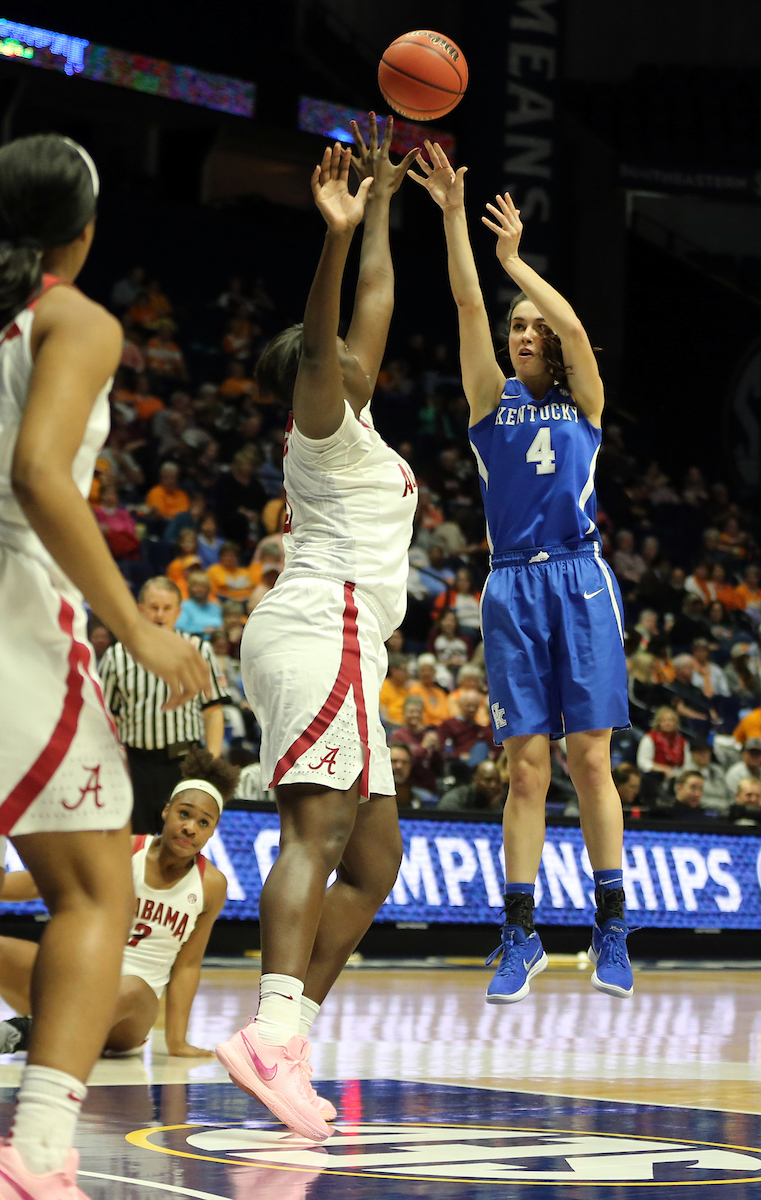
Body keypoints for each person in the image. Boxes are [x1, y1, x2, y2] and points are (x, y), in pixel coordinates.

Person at [0, 134, 208, 1199]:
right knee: (92, 898)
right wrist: (136, 628)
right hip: (15, 614)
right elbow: (39, 473)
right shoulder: (72, 316)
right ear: (78, 236)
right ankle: (38, 1153)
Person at [214, 124, 420, 1140]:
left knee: (376, 856)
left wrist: (382, 202)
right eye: (337, 352)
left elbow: (375, 306)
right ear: (318, 373)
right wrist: (333, 238)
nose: (355, 349)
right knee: (319, 831)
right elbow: (339, 312)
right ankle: (270, 1030)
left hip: (345, 639)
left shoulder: (360, 419)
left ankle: (285, 1037)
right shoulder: (322, 425)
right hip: (322, 625)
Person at [412, 143, 631, 1004]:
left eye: (531, 325)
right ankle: (520, 934)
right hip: (511, 585)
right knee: (527, 769)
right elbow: (468, 303)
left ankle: (610, 928)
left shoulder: (585, 401)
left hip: (579, 579)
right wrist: (457, 222)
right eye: (518, 327)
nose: (526, 331)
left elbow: (575, 329)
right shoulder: (487, 402)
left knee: (589, 759)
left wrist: (518, 264)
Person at [0, 748, 235, 1058]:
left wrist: (177, 1041)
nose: (191, 827)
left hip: (129, 1016)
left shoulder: (212, 885)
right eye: (184, 813)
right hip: (78, 983)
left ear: (212, 832)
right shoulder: (126, 849)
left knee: (133, 987)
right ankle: (41, 1026)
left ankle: (21, 1033)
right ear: (166, 812)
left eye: (204, 823)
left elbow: (188, 965)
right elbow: (39, 882)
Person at [100, 577, 229, 833]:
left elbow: (213, 713)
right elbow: (105, 717)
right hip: (134, 765)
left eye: (167, 608)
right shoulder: (117, 655)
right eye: (153, 607)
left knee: (181, 843)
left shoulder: (198, 650)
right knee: (134, 844)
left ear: (178, 612)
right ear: (140, 609)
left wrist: (208, 767)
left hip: (184, 763)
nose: (160, 614)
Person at [390, 695, 443, 792]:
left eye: (418, 712)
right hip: (408, 787)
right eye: (411, 712)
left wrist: (436, 750)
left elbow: (438, 768)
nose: (415, 715)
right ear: (404, 714)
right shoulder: (398, 736)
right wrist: (423, 748)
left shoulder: (427, 736)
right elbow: (404, 765)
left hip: (429, 785)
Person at [438, 760, 506, 812]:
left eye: (498, 781)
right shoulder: (454, 799)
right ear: (475, 780)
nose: (493, 785)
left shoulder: (501, 800)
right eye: (488, 780)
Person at [686, 737, 731, 814]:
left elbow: (728, 793)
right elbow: (694, 799)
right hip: (700, 812)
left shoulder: (718, 770)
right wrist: (722, 806)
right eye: (699, 752)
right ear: (692, 753)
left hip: (724, 810)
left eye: (706, 752)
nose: (703, 755)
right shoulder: (687, 772)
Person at [175, 570, 224, 637]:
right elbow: (179, 628)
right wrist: (202, 630)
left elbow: (221, 627)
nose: (199, 589)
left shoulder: (215, 607)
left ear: (208, 588)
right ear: (189, 588)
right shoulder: (184, 606)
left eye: (203, 586)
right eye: (196, 586)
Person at [406, 653, 451, 726]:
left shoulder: (440, 692)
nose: (426, 673)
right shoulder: (414, 690)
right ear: (419, 673)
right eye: (423, 671)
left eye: (429, 670)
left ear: (434, 672)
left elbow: (446, 714)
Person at [390, 742, 436, 809]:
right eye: (393, 761)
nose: (399, 766)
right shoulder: (371, 798)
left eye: (404, 762)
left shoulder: (424, 798)